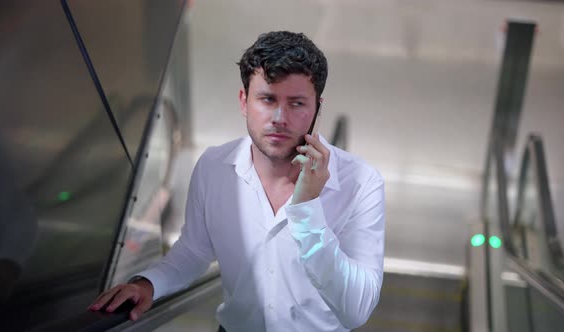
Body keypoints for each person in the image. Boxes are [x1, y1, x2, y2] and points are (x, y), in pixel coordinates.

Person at [89, 31, 385, 332]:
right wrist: (148, 285)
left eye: (296, 104)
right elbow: (194, 251)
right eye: (267, 99)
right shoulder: (214, 167)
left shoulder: (361, 182)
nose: (279, 117)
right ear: (244, 101)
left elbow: (356, 310)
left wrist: (308, 210)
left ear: (318, 109)